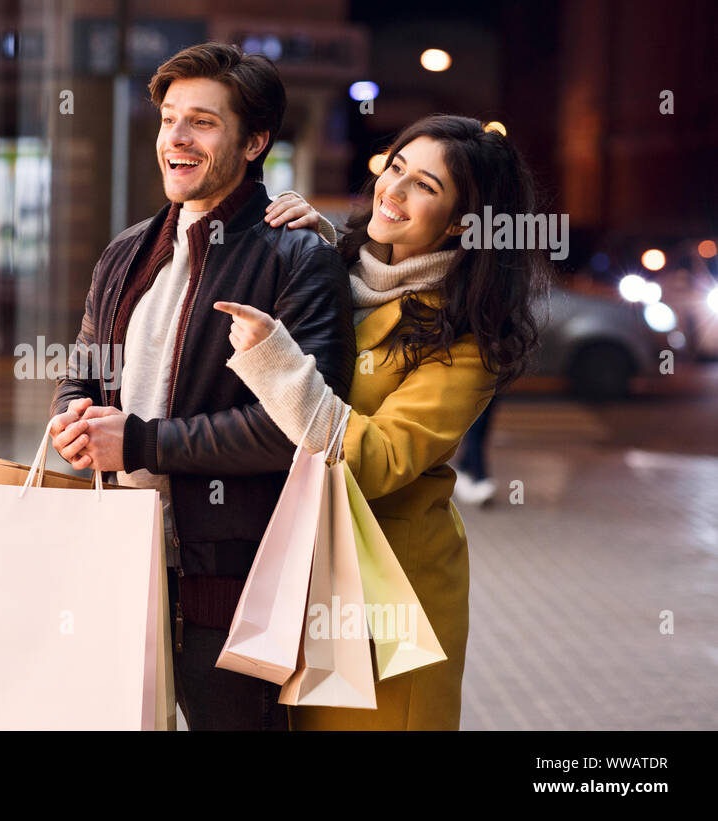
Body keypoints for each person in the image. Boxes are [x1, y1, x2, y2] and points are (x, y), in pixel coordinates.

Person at [49, 42, 355, 731]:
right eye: (168, 119)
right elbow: (83, 370)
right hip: (118, 564)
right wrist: (72, 415)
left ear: (255, 142)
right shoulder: (128, 248)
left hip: (233, 591)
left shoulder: (298, 257)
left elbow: (298, 432)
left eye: (203, 123)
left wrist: (138, 440)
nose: (176, 139)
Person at [215, 114, 547, 729]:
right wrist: (302, 250)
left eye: (424, 186)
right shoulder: (338, 270)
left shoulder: (466, 340)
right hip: (290, 572)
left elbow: (379, 460)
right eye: (395, 167)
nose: (392, 190)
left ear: (461, 224)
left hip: (386, 589)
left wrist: (277, 364)